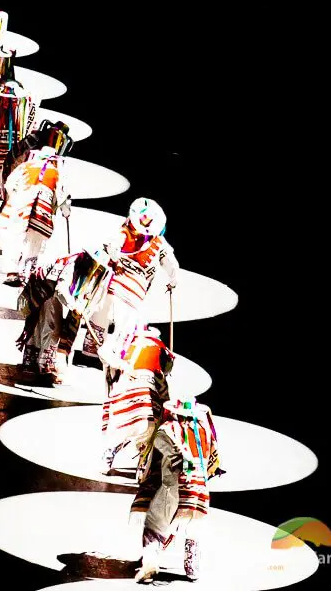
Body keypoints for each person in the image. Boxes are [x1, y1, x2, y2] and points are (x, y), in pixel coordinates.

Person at [131, 397, 225, 583]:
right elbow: (214, 461)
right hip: (199, 491)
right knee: (194, 529)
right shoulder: (205, 431)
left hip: (173, 488)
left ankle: (150, 564)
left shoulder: (167, 430)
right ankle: (192, 569)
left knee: (153, 527)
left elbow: (156, 451)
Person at [82, 197, 179, 369]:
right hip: (123, 286)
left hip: (125, 287)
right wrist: (173, 278)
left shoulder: (151, 240)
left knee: (111, 317)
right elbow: (171, 264)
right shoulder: (128, 233)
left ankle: (98, 349)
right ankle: (104, 350)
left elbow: (112, 247)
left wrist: (173, 277)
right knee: (116, 318)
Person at [100, 326, 174, 475]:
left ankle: (117, 455)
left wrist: (120, 365)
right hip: (143, 388)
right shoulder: (157, 346)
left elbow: (103, 352)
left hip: (132, 388)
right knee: (149, 425)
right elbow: (167, 370)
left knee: (127, 424)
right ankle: (141, 458)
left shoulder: (129, 341)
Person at [0, 146, 71, 285]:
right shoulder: (56, 172)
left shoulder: (25, 166)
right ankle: (27, 271)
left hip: (19, 206)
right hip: (40, 210)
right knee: (34, 241)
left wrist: (15, 195)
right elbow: (63, 196)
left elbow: (9, 184)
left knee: (14, 237)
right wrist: (66, 211)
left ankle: (12, 272)